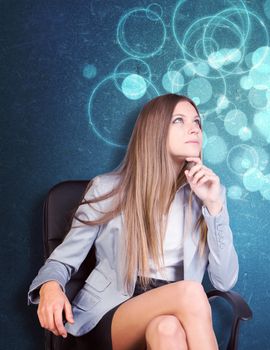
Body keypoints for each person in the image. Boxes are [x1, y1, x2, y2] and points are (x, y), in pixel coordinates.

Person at [27, 93, 239, 350]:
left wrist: (214, 207)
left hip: (174, 310)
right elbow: (62, 259)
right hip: (114, 309)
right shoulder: (107, 189)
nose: (194, 128)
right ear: (154, 131)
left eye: (197, 122)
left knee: (167, 330)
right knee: (192, 292)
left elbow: (224, 281)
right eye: (179, 121)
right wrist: (49, 287)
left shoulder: (206, 195)